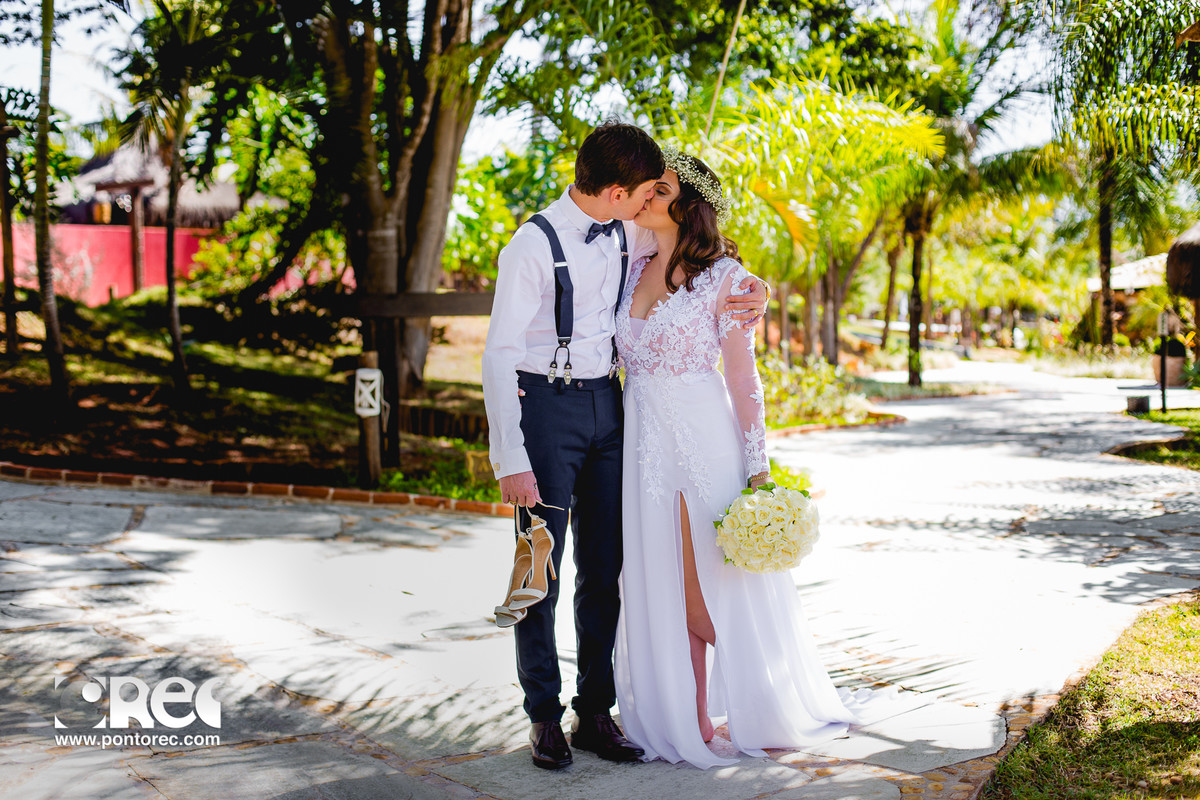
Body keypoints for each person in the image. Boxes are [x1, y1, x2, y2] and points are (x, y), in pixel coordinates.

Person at [481, 123, 768, 771]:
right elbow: (496, 354)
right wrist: (511, 458)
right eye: (642, 192)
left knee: (604, 568)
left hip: (610, 407)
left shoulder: (630, 230)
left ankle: (595, 712)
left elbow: (699, 251)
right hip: (544, 409)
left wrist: (754, 290)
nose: (648, 203)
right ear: (616, 191)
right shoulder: (530, 246)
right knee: (539, 565)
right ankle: (543, 716)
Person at [613, 149, 867, 769]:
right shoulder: (632, 263)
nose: (645, 196)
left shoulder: (727, 279)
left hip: (706, 444)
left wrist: (759, 469)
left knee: (708, 586)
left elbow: (743, 379)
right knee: (659, 583)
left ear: (689, 202)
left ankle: (758, 705)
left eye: (659, 187)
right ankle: (690, 717)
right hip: (642, 447)